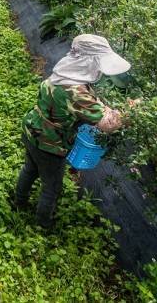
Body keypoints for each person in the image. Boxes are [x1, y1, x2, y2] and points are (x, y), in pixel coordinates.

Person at [14, 34, 132, 229]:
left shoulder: (63, 72)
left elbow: (87, 103)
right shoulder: (76, 91)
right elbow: (106, 124)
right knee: (52, 187)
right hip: (49, 144)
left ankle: (19, 202)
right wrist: (129, 113)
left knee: (30, 168)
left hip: (32, 129)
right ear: (89, 62)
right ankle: (43, 225)